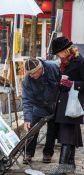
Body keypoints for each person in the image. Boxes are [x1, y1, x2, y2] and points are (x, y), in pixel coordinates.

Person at [51, 36, 84, 174]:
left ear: (66, 50)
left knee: (66, 136)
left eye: (59, 53)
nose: (58, 56)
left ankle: (62, 168)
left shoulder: (79, 61)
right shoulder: (63, 62)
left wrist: (72, 85)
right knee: (69, 134)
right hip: (63, 102)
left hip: (73, 102)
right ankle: (70, 164)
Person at [22, 58, 60, 164]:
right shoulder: (27, 80)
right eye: (29, 74)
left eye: (33, 74)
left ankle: (48, 153)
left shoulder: (53, 68)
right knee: (32, 128)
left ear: (40, 69)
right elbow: (27, 100)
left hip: (54, 104)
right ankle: (28, 153)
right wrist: (27, 119)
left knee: (52, 130)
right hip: (38, 106)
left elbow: (63, 83)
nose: (31, 76)